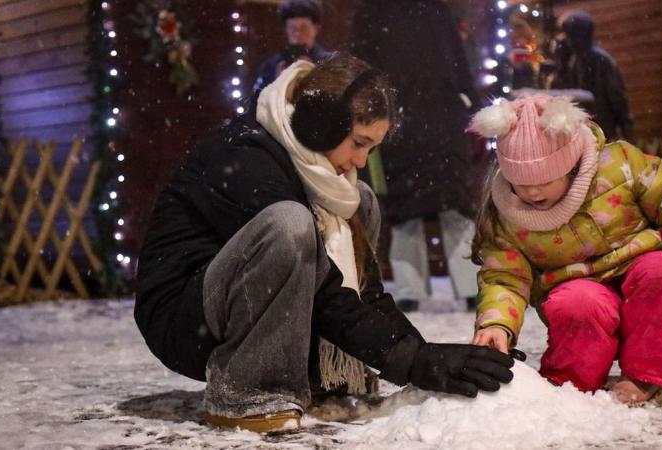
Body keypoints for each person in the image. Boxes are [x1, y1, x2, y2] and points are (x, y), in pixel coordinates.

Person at [134, 54, 516, 433]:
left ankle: (321, 375)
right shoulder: (244, 155)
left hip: (247, 302)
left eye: (372, 148)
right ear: (317, 126)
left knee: (361, 200)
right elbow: (326, 291)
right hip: (186, 318)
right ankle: (247, 390)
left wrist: (424, 356)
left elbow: (363, 293)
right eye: (358, 143)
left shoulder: (319, 171)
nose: (361, 160)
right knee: (291, 223)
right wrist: (410, 360)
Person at [466, 94, 662, 405]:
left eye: (545, 180)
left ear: (571, 164)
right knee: (579, 303)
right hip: (574, 284)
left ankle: (645, 374)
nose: (532, 191)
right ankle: (571, 387)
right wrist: (496, 323)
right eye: (521, 183)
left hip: (637, 262)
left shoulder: (618, 165)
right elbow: (503, 276)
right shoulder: (506, 213)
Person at [351, 0, 482, 312]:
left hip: (439, 118)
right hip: (401, 120)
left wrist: (473, 109)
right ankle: (411, 287)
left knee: (455, 207)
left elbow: (458, 62)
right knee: (406, 210)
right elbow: (361, 69)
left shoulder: (434, 9)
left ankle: (469, 285)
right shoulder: (372, 12)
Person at [550, 11, 635, 141]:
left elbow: (618, 98)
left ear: (582, 35)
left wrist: (628, 134)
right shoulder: (572, 60)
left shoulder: (600, 60)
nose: (566, 40)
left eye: (569, 35)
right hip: (580, 132)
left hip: (602, 131)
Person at [251, 0, 330, 98]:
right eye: (292, 28)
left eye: (303, 28)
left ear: (316, 29)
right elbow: (256, 103)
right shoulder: (272, 65)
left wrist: (313, 78)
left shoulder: (328, 63)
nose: (297, 34)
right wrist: (278, 82)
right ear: (286, 30)